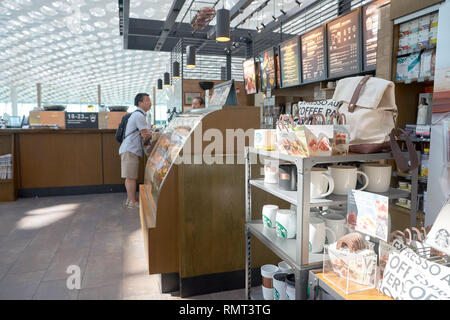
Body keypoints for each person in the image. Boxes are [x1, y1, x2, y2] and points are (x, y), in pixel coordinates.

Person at [119, 93, 155, 209]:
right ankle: (133, 202)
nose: (150, 103)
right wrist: (156, 136)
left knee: (130, 176)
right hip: (130, 149)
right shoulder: (139, 115)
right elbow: (145, 135)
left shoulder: (137, 115)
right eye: (147, 100)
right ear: (140, 103)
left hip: (129, 149)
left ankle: (129, 200)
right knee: (131, 177)